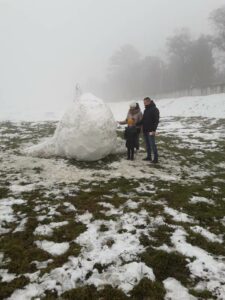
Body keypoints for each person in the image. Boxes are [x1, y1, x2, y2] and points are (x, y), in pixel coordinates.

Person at [137, 97, 159, 163]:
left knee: (152, 144)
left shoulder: (155, 109)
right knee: (147, 144)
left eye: (145, 102)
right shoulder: (146, 110)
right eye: (144, 102)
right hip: (145, 130)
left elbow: (156, 121)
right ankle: (149, 157)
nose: (144, 104)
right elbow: (143, 120)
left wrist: (154, 130)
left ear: (149, 101)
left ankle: (155, 158)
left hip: (151, 130)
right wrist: (137, 123)